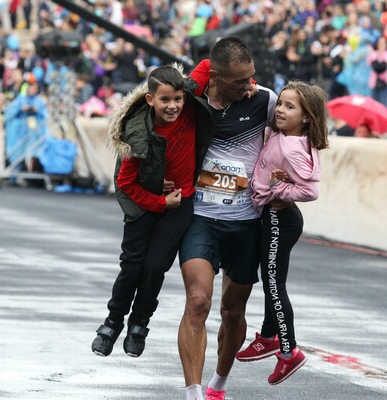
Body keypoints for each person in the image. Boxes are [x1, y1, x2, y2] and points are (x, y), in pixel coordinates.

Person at [177, 37, 277, 400]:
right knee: (199, 301)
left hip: (245, 222)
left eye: (251, 77)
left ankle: (218, 385)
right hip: (201, 217)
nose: (248, 85)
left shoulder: (265, 99)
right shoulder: (191, 103)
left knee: (233, 312)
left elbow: (298, 130)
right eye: (239, 81)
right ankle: (193, 394)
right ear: (215, 77)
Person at [91, 65, 213, 358]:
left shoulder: (188, 108)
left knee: (155, 267)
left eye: (178, 99)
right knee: (132, 266)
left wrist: (251, 83)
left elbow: (210, 65)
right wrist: (160, 201)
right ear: (150, 100)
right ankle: (112, 322)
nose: (173, 106)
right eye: (165, 100)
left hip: (180, 205)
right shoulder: (138, 134)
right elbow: (125, 183)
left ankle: (139, 324)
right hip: (144, 205)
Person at [235, 81, 328, 384]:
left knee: (274, 286)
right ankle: (268, 336)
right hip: (275, 218)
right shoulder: (283, 134)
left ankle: (289, 352)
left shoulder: (292, 145)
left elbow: (311, 190)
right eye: (281, 104)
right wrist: (251, 85)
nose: (281, 110)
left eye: (290, 107)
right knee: (271, 280)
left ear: (306, 117)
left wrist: (279, 190)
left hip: (280, 219)